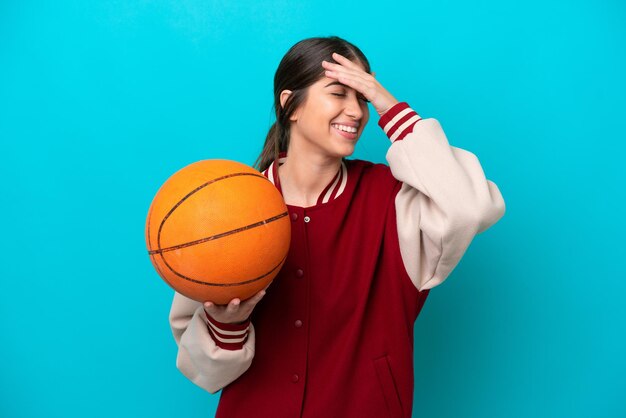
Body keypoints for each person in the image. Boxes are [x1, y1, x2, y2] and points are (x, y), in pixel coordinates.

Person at [169, 36, 506, 418]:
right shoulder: (230, 205)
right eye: (338, 92)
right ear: (289, 105)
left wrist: (388, 105)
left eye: (362, 96)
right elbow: (204, 372)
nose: (357, 111)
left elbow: (469, 207)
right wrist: (226, 326)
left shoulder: (393, 201)